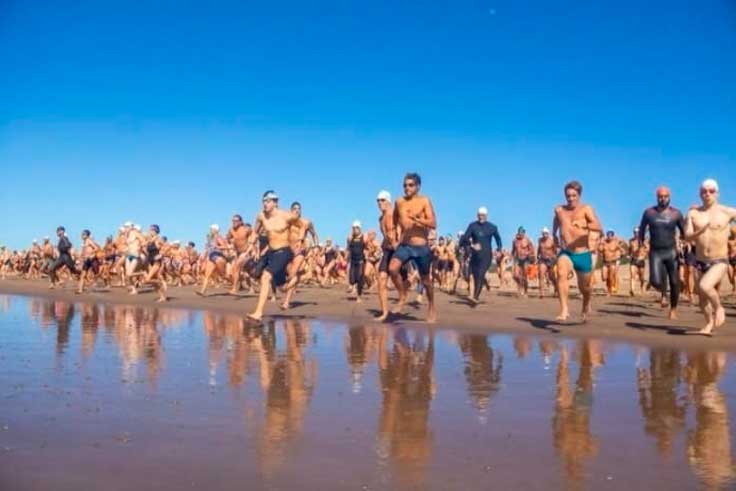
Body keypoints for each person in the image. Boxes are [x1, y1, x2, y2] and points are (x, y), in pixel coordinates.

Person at [684, 179, 736, 336]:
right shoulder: (693, 213)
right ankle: (709, 324)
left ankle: (719, 308)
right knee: (702, 300)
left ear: (717, 193)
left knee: (705, 286)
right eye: (704, 191)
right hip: (700, 261)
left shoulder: (727, 212)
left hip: (719, 260)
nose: (707, 194)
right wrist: (699, 232)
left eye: (711, 191)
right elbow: (687, 236)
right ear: (700, 194)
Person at [388, 173, 438, 322]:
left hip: (421, 247)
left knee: (426, 281)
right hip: (405, 245)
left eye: (410, 185)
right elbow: (394, 221)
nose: (407, 188)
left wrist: (418, 219)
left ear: (418, 186)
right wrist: (394, 238)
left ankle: (431, 306)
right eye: (405, 185)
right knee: (392, 269)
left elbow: (433, 223)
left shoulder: (424, 201)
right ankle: (402, 296)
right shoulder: (399, 202)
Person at [552, 181, 603, 322]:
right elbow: (557, 221)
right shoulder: (560, 210)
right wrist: (554, 234)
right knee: (561, 272)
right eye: (568, 196)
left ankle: (586, 304)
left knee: (585, 288)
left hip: (583, 253)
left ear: (579, 195)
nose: (571, 198)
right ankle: (564, 310)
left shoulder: (586, 209)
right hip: (567, 252)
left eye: (574, 195)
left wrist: (585, 225)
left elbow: (599, 227)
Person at [247, 191, 299, 322]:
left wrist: (301, 240)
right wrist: (251, 244)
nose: (265, 204)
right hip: (271, 252)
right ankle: (293, 281)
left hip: (284, 251)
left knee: (266, 277)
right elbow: (255, 232)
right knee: (281, 287)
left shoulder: (286, 216)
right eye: (264, 201)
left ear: (275, 202)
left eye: (268, 201)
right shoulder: (261, 216)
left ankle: (258, 313)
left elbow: (304, 224)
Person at [638, 186, 685, 319]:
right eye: (660, 197)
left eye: (665, 197)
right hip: (656, 252)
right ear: (657, 197)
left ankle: (673, 309)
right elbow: (642, 229)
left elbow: (684, 231)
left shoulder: (676, 213)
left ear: (669, 197)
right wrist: (641, 244)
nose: (662, 199)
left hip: (671, 252)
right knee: (655, 281)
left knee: (674, 282)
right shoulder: (649, 213)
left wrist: (684, 243)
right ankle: (662, 291)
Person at [281, 202, 319, 309]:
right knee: (291, 275)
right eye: (294, 208)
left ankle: (286, 302)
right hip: (288, 250)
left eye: (298, 208)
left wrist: (316, 246)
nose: (297, 210)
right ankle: (306, 276)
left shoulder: (306, 222)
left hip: (300, 251)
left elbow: (314, 235)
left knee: (292, 274)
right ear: (291, 210)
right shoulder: (288, 221)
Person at [460, 207, 502, 304]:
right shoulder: (472, 226)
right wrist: (472, 245)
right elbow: (464, 239)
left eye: (483, 215)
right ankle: (476, 296)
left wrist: (499, 249)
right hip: (475, 256)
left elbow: (498, 239)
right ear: (477, 215)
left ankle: (475, 297)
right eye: (479, 215)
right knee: (475, 276)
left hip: (486, 255)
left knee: (481, 274)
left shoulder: (492, 227)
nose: (481, 217)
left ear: (486, 216)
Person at [375, 190, 401, 321]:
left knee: (398, 277)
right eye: (378, 201)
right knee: (381, 279)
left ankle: (402, 295)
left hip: (399, 250)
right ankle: (385, 313)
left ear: (388, 201)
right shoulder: (380, 219)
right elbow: (386, 236)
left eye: (382, 200)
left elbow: (403, 230)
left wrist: (399, 244)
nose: (380, 203)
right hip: (387, 250)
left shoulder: (395, 214)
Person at [226, 214, 254, 295]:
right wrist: (230, 241)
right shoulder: (231, 230)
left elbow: (254, 234)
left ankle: (234, 289)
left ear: (241, 222)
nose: (234, 222)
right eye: (233, 221)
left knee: (236, 267)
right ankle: (251, 289)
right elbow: (228, 238)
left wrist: (252, 246)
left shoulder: (246, 229)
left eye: (236, 221)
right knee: (245, 273)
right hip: (238, 253)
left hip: (246, 252)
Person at [346, 220, 367, 302]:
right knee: (352, 279)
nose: (355, 229)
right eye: (353, 228)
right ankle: (354, 288)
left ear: (360, 228)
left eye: (356, 228)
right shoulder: (350, 238)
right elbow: (348, 249)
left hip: (361, 260)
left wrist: (367, 253)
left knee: (359, 278)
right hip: (353, 260)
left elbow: (368, 247)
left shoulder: (364, 237)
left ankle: (359, 296)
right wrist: (346, 258)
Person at [599, 230, 625, 296]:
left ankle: (609, 290)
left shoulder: (615, 243)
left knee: (610, 277)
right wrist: (601, 243)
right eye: (608, 235)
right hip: (605, 262)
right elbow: (600, 250)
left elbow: (623, 251)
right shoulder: (604, 243)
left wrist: (619, 256)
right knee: (604, 277)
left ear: (612, 236)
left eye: (610, 235)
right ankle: (609, 288)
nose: (609, 236)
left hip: (612, 262)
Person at [511, 227, 535, 297]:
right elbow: (513, 250)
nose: (520, 234)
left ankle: (525, 291)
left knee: (524, 276)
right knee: (515, 275)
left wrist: (528, 253)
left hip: (525, 259)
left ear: (524, 233)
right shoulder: (515, 240)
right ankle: (520, 286)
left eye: (521, 232)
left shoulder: (527, 240)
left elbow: (532, 250)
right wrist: (511, 256)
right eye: (519, 232)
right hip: (517, 259)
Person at [77, 229, 101, 294]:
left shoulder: (89, 241)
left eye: (83, 234)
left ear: (87, 235)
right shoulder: (84, 242)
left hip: (92, 259)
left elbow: (96, 248)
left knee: (96, 273)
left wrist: (91, 253)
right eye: (82, 234)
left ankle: (95, 282)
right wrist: (81, 258)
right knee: (83, 275)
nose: (82, 235)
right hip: (87, 260)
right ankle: (80, 290)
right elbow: (84, 252)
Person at [537, 227, 558, 298]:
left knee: (551, 276)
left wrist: (555, 257)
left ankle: (556, 288)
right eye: (543, 233)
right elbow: (539, 249)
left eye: (546, 233)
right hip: (542, 259)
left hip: (551, 260)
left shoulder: (551, 241)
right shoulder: (540, 240)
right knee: (541, 274)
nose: (544, 235)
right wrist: (537, 256)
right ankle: (541, 292)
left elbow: (555, 250)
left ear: (548, 234)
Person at [628, 227, 648, 296]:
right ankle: (632, 290)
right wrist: (629, 255)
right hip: (634, 259)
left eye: (637, 232)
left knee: (641, 277)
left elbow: (648, 249)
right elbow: (629, 249)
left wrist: (644, 255)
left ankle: (642, 289)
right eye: (635, 232)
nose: (636, 233)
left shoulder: (643, 240)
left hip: (641, 260)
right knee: (632, 275)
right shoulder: (631, 240)